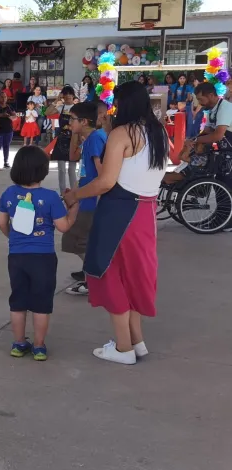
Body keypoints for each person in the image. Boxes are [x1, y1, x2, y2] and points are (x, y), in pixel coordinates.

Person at [64, 81, 168, 365]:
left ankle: (123, 348)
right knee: (134, 276)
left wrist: (75, 195)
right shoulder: (158, 131)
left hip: (120, 213)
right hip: (146, 213)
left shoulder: (123, 133)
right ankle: (137, 340)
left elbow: (106, 182)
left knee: (111, 275)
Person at [0, 146, 79, 361]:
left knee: (18, 300)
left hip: (16, 256)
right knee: (41, 303)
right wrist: (74, 208)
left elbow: (2, 223)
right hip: (43, 257)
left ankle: (18, 343)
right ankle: (39, 347)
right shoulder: (50, 197)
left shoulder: (8, 193)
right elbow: (63, 227)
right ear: (43, 170)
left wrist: (13, 239)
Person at [61, 101, 107, 295]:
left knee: (75, 239)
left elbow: (101, 173)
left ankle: (94, 277)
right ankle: (92, 275)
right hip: (86, 196)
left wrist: (83, 195)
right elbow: (74, 158)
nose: (69, 123)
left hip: (91, 199)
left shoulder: (96, 139)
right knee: (82, 240)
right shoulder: (91, 138)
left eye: (72, 119)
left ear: (85, 121)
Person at [46, 85, 78, 192]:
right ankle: (62, 192)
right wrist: (56, 100)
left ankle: (73, 192)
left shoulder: (78, 108)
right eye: (66, 94)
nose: (68, 96)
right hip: (61, 140)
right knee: (61, 169)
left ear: (73, 95)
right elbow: (47, 112)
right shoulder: (60, 108)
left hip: (73, 140)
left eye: (70, 93)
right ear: (62, 96)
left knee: (72, 169)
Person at [0, 92, 15, 169]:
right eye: (2, 97)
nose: (4, 99)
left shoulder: (9, 107)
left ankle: (6, 161)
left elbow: (14, 116)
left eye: (5, 97)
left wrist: (10, 116)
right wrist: (2, 115)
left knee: (6, 145)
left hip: (8, 129)